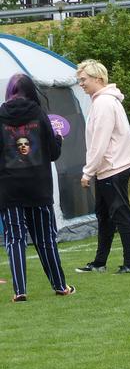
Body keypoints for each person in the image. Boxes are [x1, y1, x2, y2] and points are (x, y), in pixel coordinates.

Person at [0, 74, 75, 301]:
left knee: (15, 239)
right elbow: (53, 153)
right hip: (39, 188)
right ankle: (60, 286)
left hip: (8, 189)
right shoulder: (39, 115)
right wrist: (59, 139)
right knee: (45, 239)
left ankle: (20, 290)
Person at [74, 59, 130, 274]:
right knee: (104, 215)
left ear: (98, 79)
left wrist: (87, 172)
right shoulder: (103, 101)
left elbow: (99, 143)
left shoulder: (103, 103)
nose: (81, 84)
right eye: (79, 80)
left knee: (120, 214)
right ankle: (100, 262)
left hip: (114, 167)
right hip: (110, 167)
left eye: (83, 80)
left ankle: (129, 264)